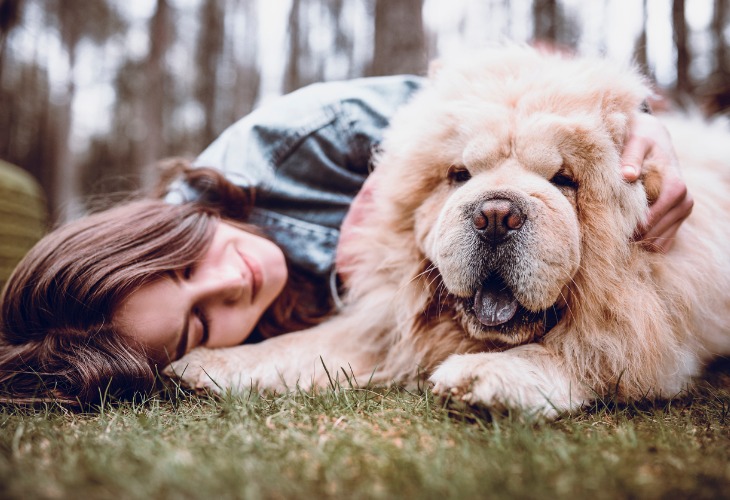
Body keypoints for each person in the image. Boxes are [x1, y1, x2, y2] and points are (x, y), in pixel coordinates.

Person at [0, 75, 693, 405]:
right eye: (201, 324)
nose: (231, 283)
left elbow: (502, 98)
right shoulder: (229, 321)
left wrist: (638, 123)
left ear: (160, 228)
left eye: (187, 268)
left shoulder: (300, 137)